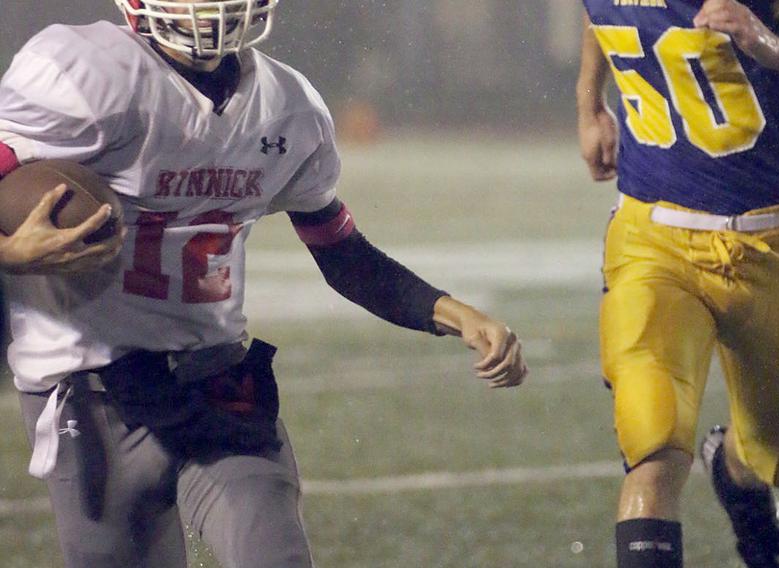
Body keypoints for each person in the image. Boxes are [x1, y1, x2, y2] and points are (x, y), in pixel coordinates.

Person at [0, 1, 528, 566]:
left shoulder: (288, 105)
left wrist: (455, 314)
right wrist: (9, 251)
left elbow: (341, 252)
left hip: (215, 378)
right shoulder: (83, 75)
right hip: (90, 391)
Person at [576, 1, 779, 567]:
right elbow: (601, 11)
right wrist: (590, 102)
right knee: (652, 447)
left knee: (772, 454)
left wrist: (766, 44)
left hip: (771, 248)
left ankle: (737, 481)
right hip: (651, 241)